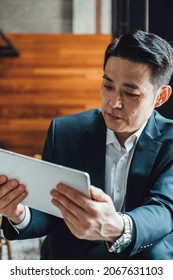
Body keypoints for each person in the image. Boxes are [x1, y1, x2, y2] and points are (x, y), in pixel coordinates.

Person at [0, 30, 173, 260]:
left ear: (160, 96)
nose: (113, 103)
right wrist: (20, 213)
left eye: (130, 93)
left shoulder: (170, 141)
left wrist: (118, 226)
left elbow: (164, 208)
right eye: (108, 86)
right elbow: (50, 211)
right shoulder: (64, 132)